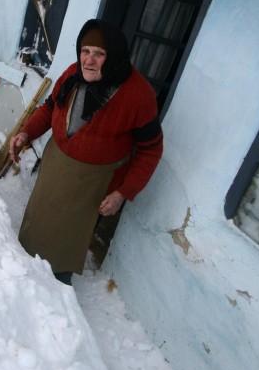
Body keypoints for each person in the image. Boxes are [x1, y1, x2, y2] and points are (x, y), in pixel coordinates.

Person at [9, 19, 164, 285]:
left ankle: (54, 286)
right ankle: (23, 265)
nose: (89, 61)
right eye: (85, 50)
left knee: (68, 237)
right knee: (40, 218)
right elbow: (49, 108)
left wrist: (122, 193)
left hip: (93, 183)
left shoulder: (138, 96)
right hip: (57, 164)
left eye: (99, 54)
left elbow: (151, 150)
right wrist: (27, 133)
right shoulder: (72, 75)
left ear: (113, 55)